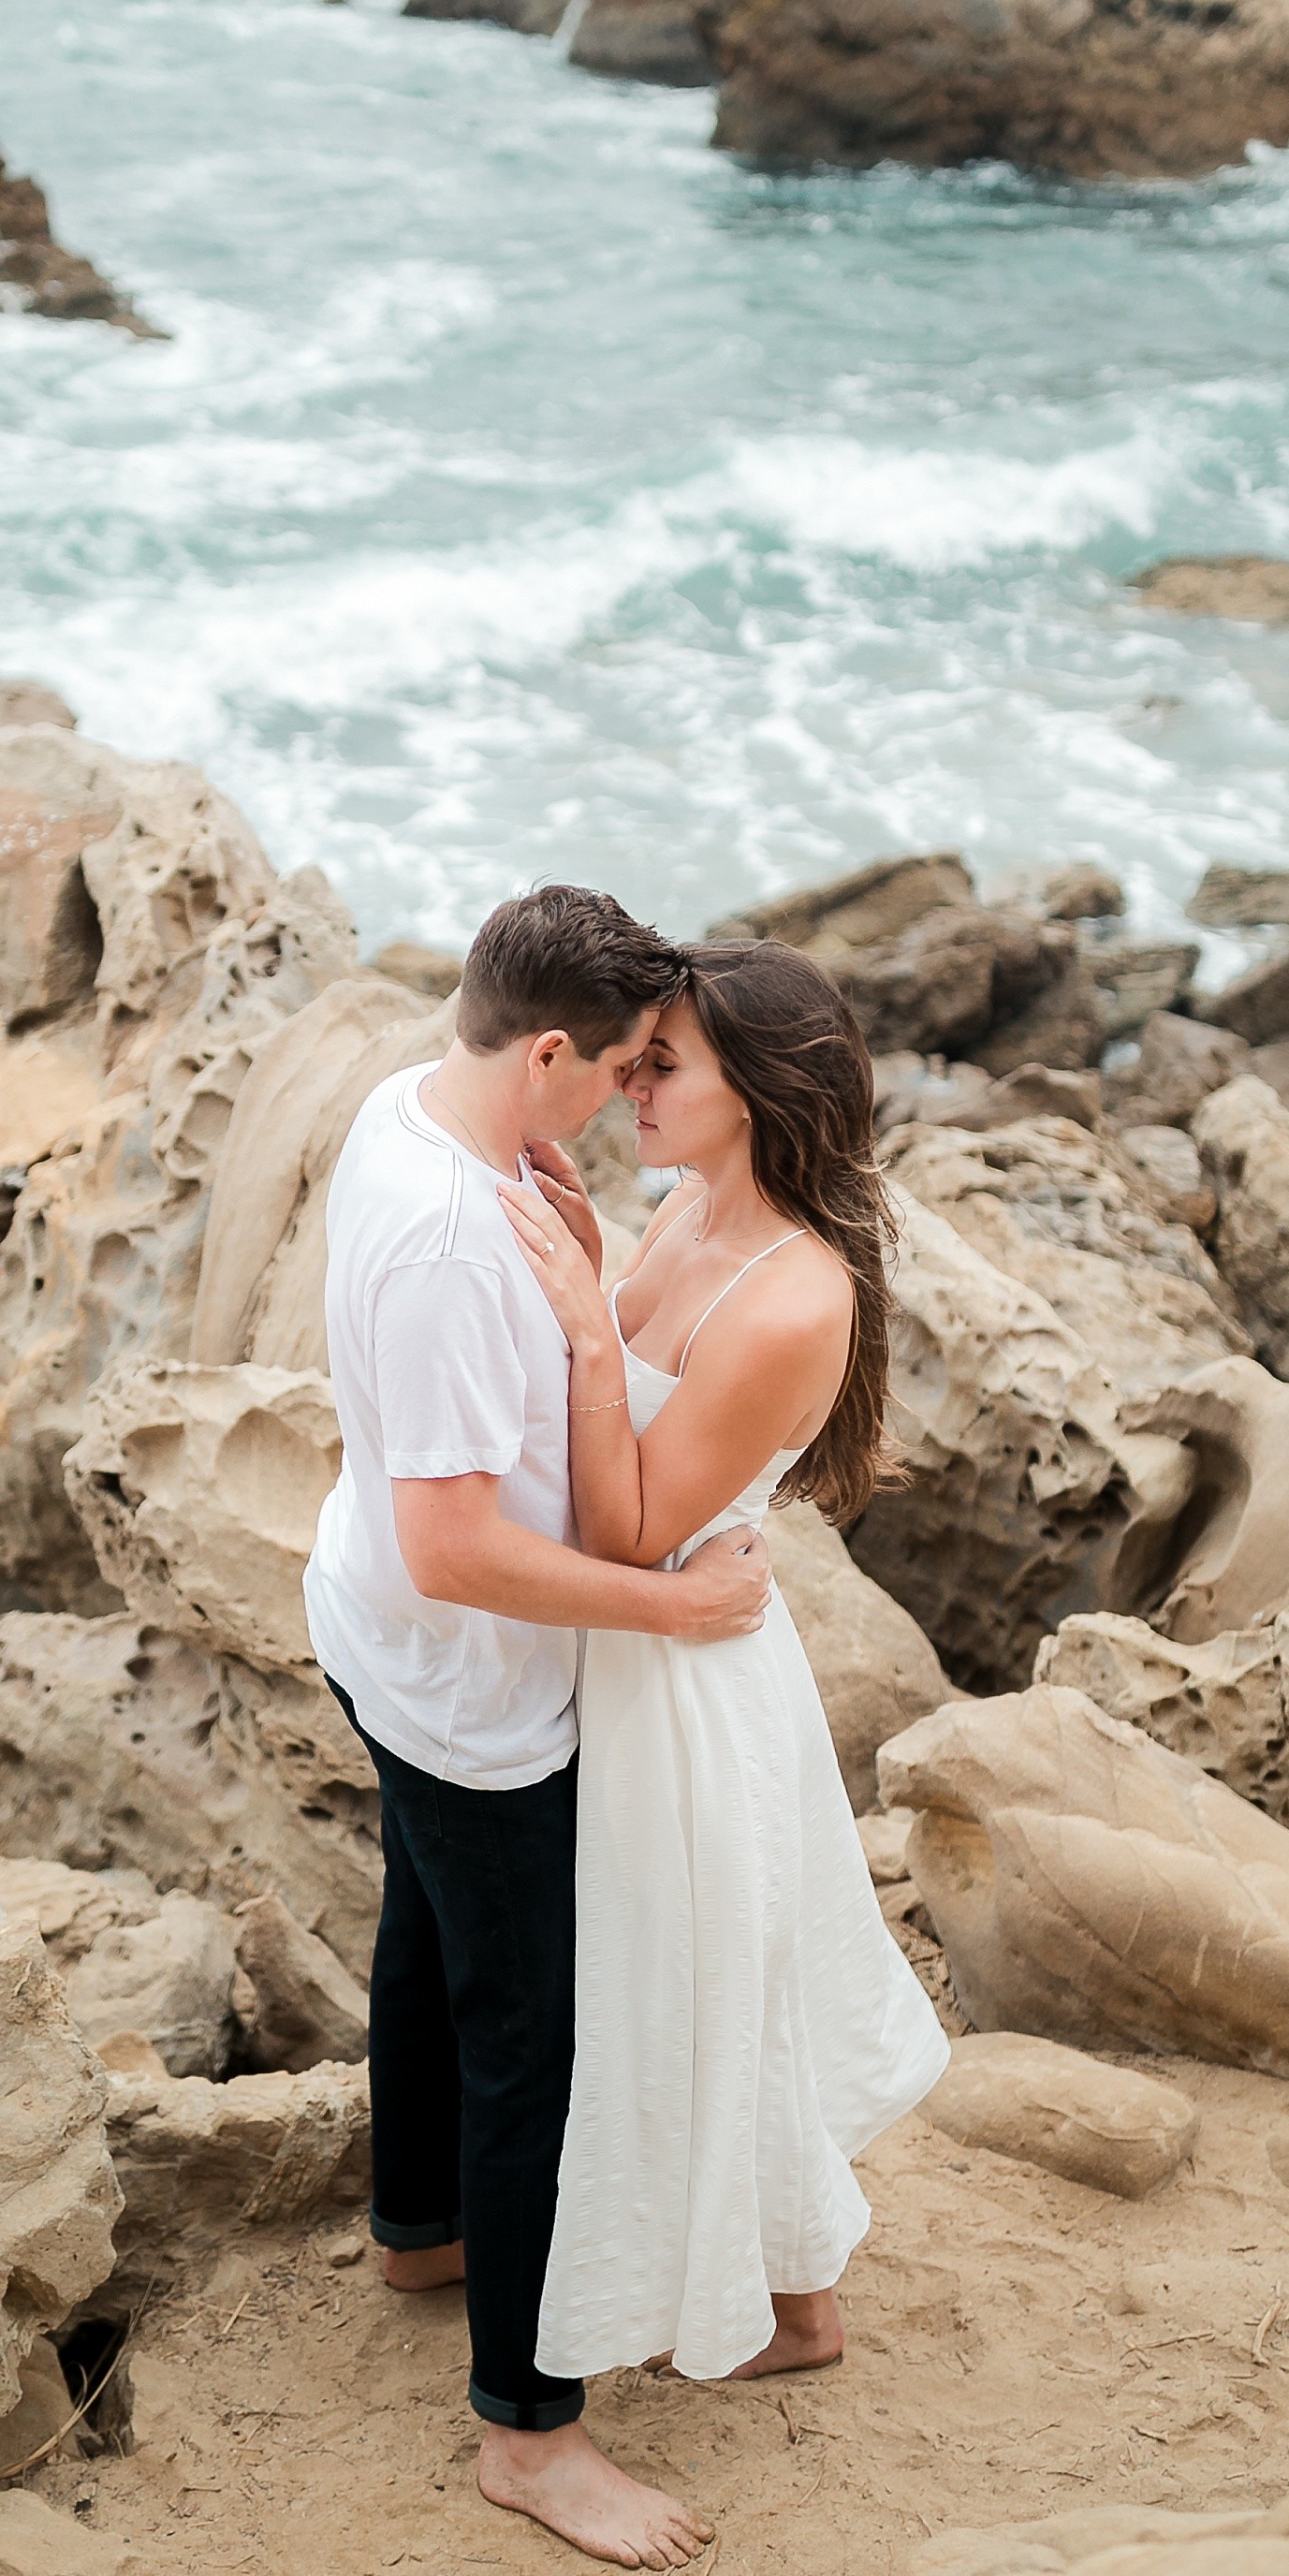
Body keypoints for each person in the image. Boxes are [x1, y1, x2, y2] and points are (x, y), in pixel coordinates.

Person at [302, 882, 772, 2573]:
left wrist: (560, 1239)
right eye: (623, 1065)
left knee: (424, 1937)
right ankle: (532, 2431)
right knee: (534, 2042)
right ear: (551, 1046)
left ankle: (419, 2233)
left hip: (366, 1621)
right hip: (462, 1678)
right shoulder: (448, 1241)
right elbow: (457, 1542)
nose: (634, 1102)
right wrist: (676, 1605)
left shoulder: (414, 1106)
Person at [497, 937, 951, 2389]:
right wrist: (592, 1260)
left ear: (754, 1090)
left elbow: (631, 1521)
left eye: (663, 1061)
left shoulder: (798, 1292)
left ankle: (800, 2314)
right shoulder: (691, 1207)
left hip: (687, 1681)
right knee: (677, 1983)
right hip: (630, 1650)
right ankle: (751, 2289)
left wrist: (578, 1310)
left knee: (704, 1984)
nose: (630, 1076)